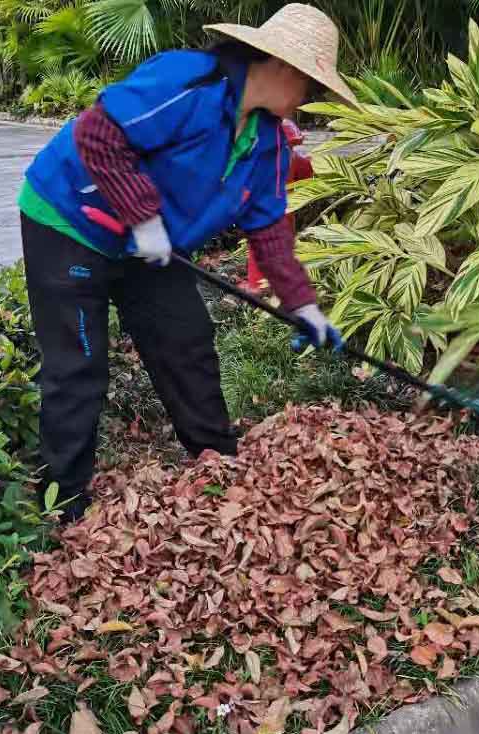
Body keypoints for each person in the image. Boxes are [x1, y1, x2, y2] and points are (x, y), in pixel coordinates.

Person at [18, 4, 355, 522]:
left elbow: (267, 228)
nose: (308, 103)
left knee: (185, 338)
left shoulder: (265, 141)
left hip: (149, 241)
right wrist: (144, 217)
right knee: (78, 367)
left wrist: (303, 306)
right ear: (285, 68)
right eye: (310, 89)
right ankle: (62, 506)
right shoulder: (189, 80)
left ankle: (218, 462)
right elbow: (97, 135)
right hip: (70, 220)